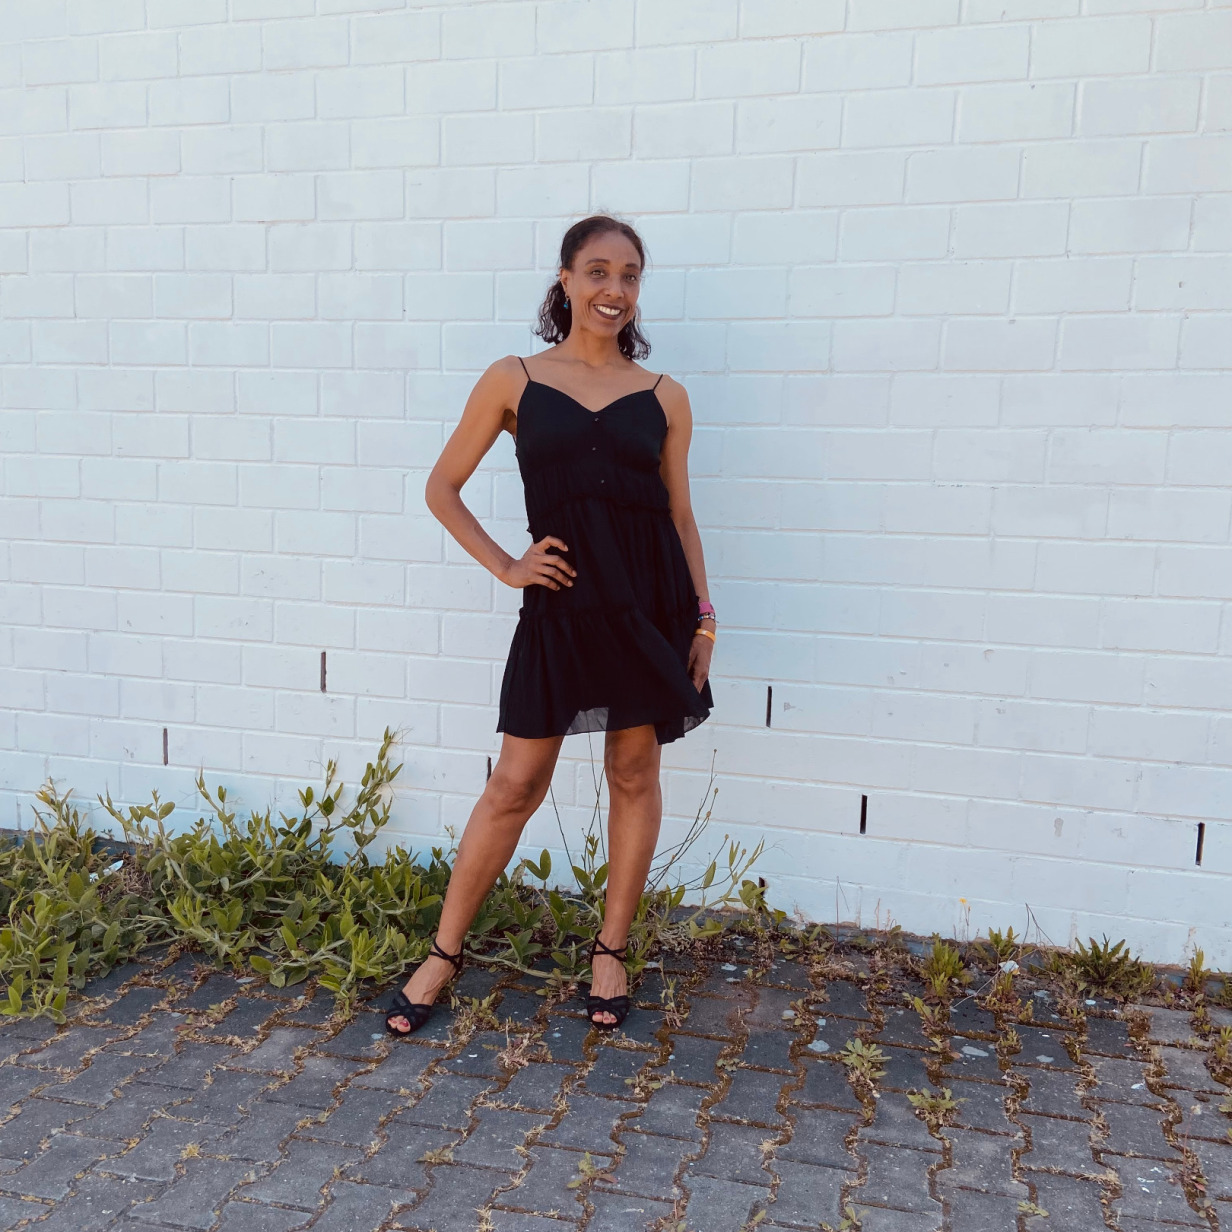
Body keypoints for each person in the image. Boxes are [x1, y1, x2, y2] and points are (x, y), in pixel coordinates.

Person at [385, 214, 716, 1036]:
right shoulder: (515, 380)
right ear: (565, 280)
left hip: (648, 606)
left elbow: (679, 515)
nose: (615, 289)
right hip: (561, 606)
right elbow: (441, 488)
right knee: (514, 785)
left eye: (630, 276)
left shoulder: (665, 395)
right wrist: (508, 566)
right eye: (598, 271)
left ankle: (611, 949)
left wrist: (704, 620)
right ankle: (444, 952)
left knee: (633, 772)